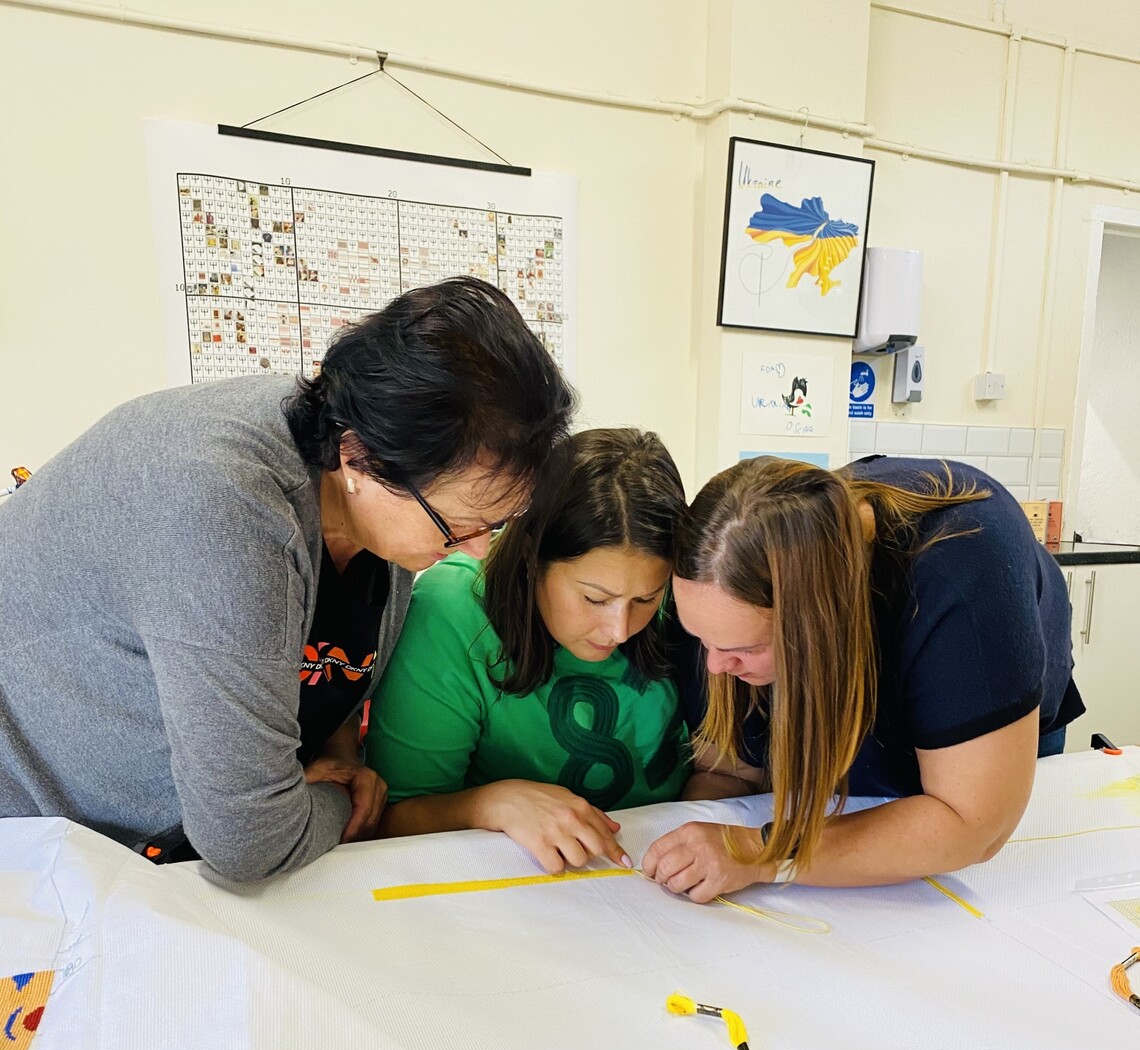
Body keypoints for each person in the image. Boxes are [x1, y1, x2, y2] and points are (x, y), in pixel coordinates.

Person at [0, 277, 573, 880]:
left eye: (497, 525)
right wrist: (337, 801)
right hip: (47, 836)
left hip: (171, 840)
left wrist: (340, 752)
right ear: (359, 459)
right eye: (458, 526)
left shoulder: (377, 494)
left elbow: (336, 668)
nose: (476, 550)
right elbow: (248, 844)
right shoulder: (225, 508)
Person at [642, 453, 1084, 900]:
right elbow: (734, 770)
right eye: (702, 640)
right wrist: (693, 841)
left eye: (745, 649)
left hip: (983, 725)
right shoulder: (725, 588)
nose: (716, 666)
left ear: (823, 623)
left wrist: (758, 852)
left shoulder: (960, 574)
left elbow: (972, 825)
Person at [365, 428, 691, 872]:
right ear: (532, 560)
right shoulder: (453, 609)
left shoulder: (690, 594)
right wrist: (491, 804)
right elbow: (391, 820)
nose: (619, 630)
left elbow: (730, 771)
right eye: (595, 599)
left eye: (647, 600)